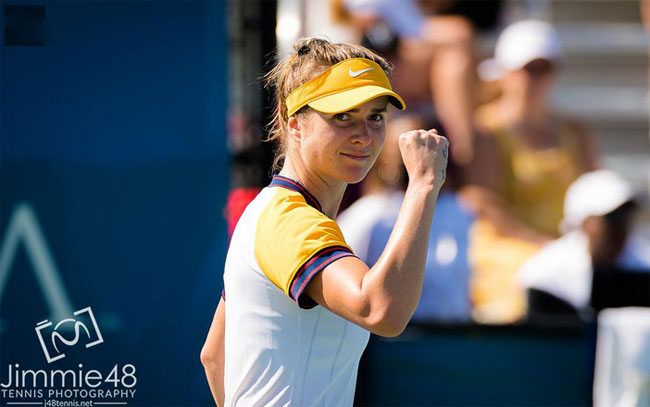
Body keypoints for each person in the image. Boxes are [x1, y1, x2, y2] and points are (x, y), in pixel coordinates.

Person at [200, 38, 448, 406]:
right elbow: (380, 309)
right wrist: (424, 185)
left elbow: (214, 356)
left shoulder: (276, 215)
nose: (363, 136)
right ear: (294, 124)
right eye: (342, 116)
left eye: (375, 117)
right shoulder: (289, 220)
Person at [464, 20, 598, 324]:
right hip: (509, 250)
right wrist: (543, 245)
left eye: (544, 69)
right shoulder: (487, 128)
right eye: (528, 69)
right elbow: (484, 203)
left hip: (564, 249)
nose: (535, 79)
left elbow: (595, 190)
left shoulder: (574, 130)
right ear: (506, 72)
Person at [518, 170, 647, 316]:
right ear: (584, 223)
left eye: (626, 213)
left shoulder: (643, 262)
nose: (619, 226)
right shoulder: (544, 276)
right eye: (611, 217)